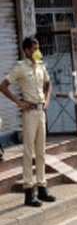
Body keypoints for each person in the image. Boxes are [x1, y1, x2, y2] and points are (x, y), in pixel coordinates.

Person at [0, 37, 57, 207]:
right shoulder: (20, 67)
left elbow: (48, 83)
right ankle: (28, 191)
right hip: (29, 113)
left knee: (41, 151)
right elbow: (3, 86)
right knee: (28, 152)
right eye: (33, 49)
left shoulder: (40, 66)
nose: (36, 52)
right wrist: (18, 102)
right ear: (26, 50)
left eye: (37, 49)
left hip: (41, 112)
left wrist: (47, 101)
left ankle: (42, 187)